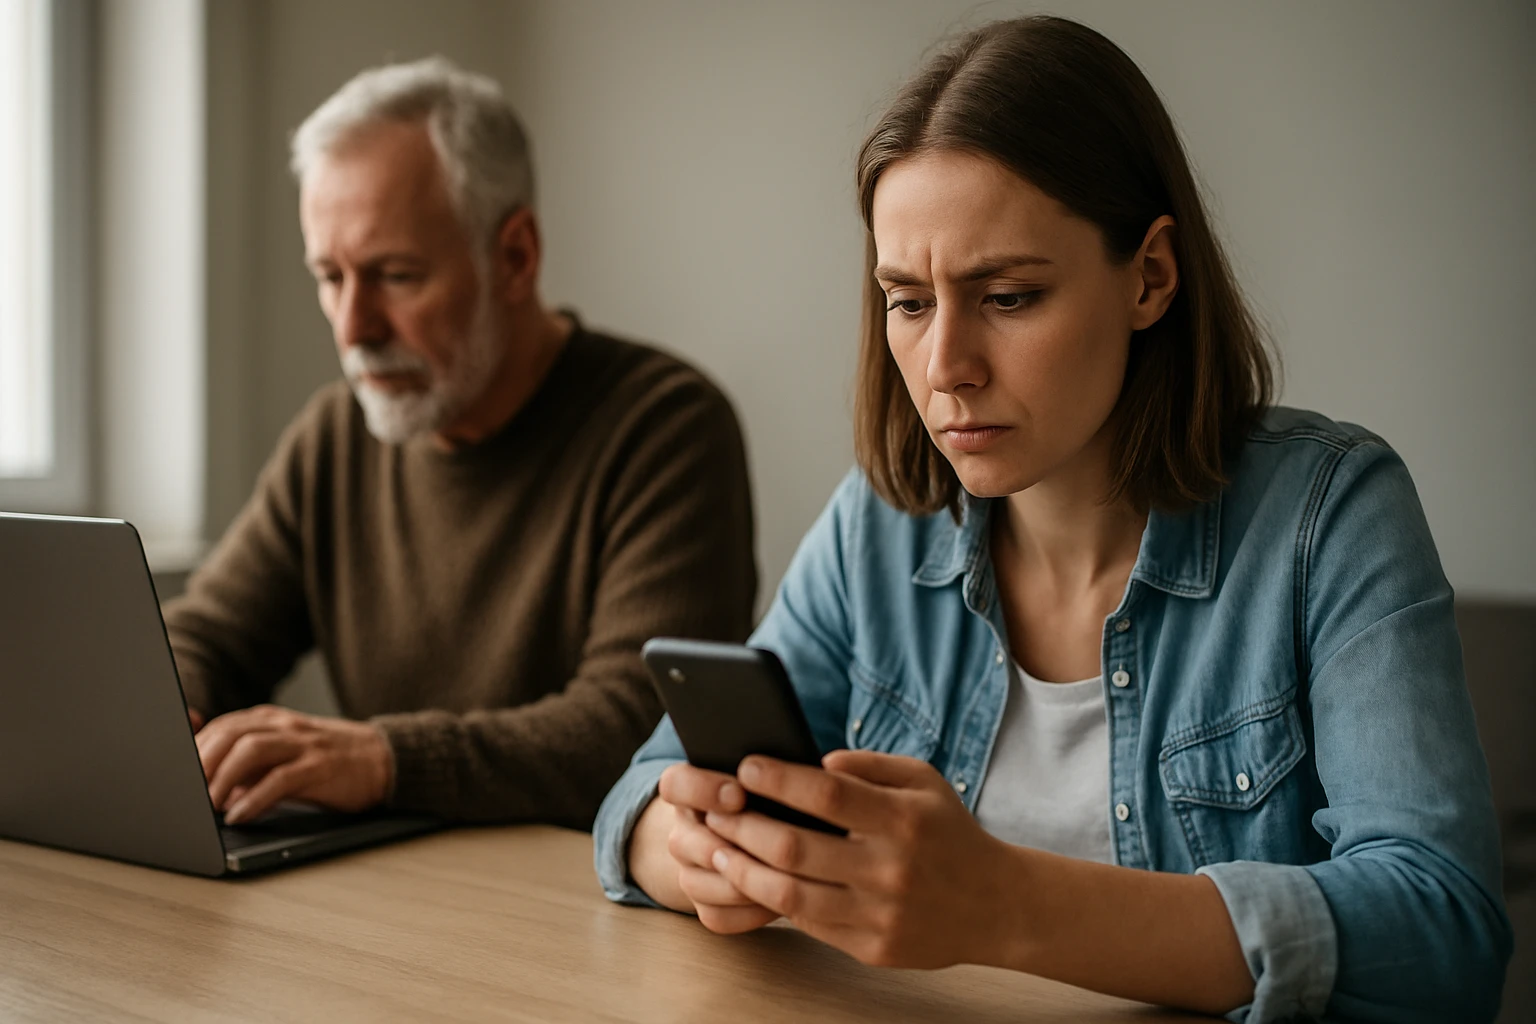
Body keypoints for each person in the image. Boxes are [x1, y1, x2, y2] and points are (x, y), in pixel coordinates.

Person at [594, 16, 1509, 1023]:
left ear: (1151, 277)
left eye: (1009, 295)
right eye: (908, 300)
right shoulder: (881, 525)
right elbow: (640, 796)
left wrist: (1003, 905)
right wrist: (700, 852)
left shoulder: (1330, 515)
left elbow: (1446, 932)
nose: (945, 367)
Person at [164, 57, 756, 830]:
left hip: (585, 905)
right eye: (331, 277)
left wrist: (385, 760)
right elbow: (208, 633)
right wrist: (163, 707)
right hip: (396, 895)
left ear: (515, 257)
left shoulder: (665, 425)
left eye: (396, 276)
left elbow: (639, 725)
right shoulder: (335, 436)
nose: (353, 330)